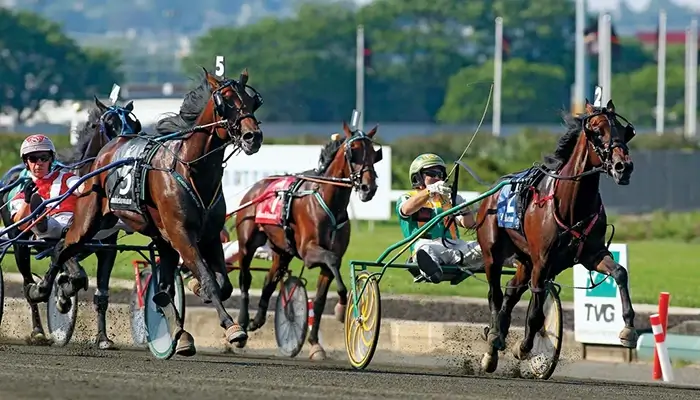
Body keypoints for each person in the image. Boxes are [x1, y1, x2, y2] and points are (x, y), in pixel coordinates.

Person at [9, 134, 132, 240]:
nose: (39, 162)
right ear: (26, 162)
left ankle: (140, 218)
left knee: (122, 218)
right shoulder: (22, 193)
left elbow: (83, 188)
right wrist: (27, 201)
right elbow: (21, 225)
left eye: (44, 158)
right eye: (33, 159)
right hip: (53, 224)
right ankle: (40, 218)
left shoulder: (66, 178)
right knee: (43, 224)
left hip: (79, 222)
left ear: (51, 159)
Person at [395, 153, 483, 283]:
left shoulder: (448, 200)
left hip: (456, 248)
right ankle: (432, 270)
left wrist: (464, 207)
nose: (438, 178)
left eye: (440, 175)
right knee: (425, 250)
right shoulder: (408, 197)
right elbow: (406, 210)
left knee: (485, 246)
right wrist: (429, 191)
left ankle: (516, 261)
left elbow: (469, 224)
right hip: (428, 246)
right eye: (432, 174)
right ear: (417, 177)